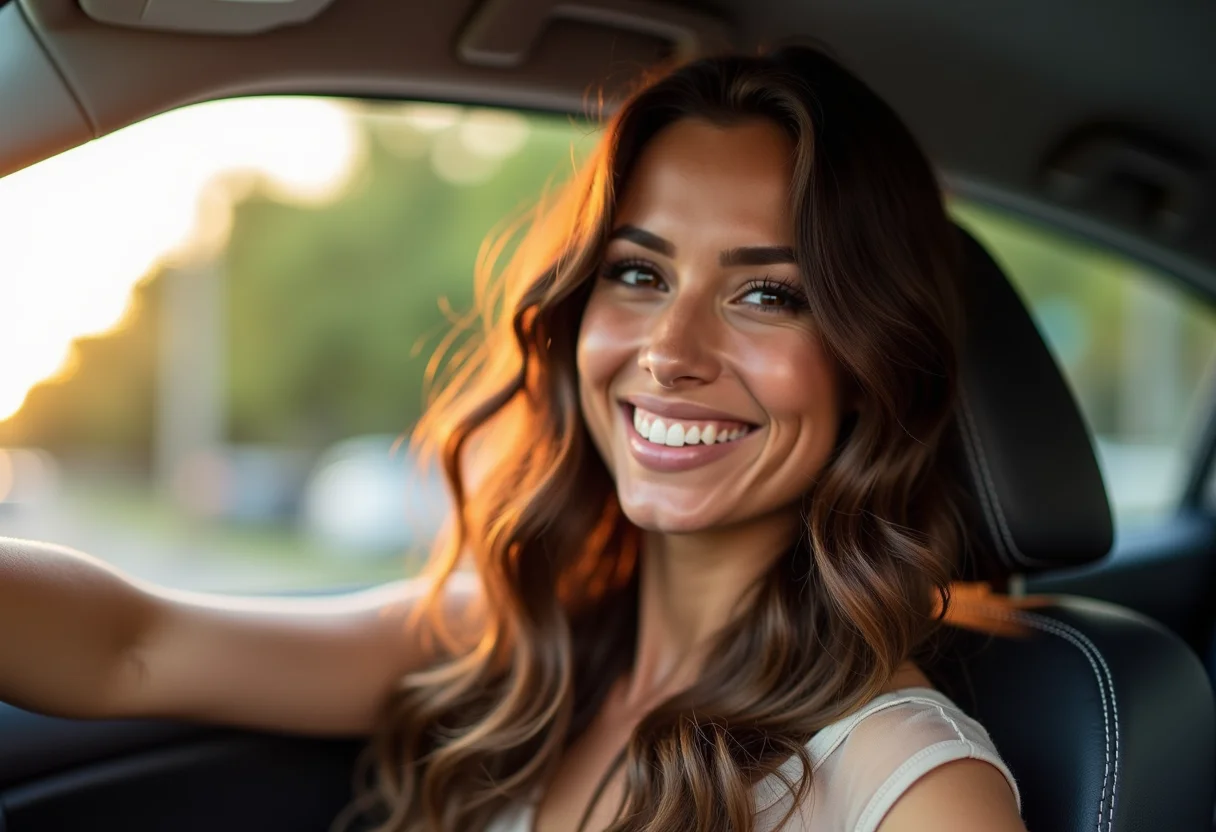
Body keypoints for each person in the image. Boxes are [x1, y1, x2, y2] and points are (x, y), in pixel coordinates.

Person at [0, 46, 1027, 832]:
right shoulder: (514, 645)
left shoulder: (914, 786)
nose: (670, 349)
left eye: (766, 292)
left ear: (869, 360)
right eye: (639, 272)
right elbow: (131, 648)